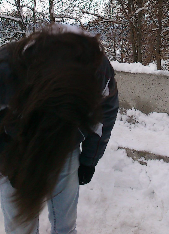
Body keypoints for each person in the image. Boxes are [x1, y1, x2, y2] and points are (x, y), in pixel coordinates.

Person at [0, 24, 119, 234]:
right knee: (20, 228)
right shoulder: (7, 70)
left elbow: (105, 115)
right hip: (15, 144)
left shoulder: (98, 71)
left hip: (66, 145)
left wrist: (89, 161)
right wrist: (6, 158)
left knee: (65, 222)